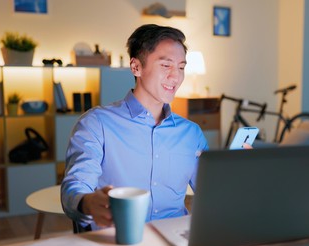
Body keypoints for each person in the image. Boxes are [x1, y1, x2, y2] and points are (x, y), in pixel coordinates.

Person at [61, 24, 209, 231]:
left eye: (181, 67)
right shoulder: (96, 124)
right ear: (136, 67)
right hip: (117, 244)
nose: (176, 77)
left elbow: (212, 192)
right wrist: (88, 202)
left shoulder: (191, 133)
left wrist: (242, 173)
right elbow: (74, 187)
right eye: (166, 66)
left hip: (177, 241)